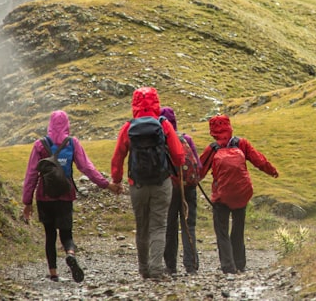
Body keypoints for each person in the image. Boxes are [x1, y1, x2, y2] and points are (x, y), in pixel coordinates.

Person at [21, 110, 121, 283]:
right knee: (66, 234)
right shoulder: (72, 143)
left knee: (50, 235)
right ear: (67, 124)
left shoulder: (39, 145)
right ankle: (70, 254)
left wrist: (27, 202)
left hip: (44, 197)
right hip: (65, 195)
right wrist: (106, 184)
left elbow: (31, 175)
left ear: (50, 124)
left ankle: (53, 274)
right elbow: (87, 168)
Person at [110, 87, 186, 280]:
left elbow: (118, 156)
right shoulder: (163, 124)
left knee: (142, 226)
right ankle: (156, 269)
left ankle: (144, 269)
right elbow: (178, 156)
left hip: (137, 185)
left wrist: (117, 180)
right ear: (156, 102)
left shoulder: (128, 127)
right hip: (162, 183)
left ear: (134, 104)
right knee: (159, 226)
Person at [199, 115, 279, 274]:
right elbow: (259, 160)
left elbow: (199, 171)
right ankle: (240, 263)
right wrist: (273, 171)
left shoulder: (213, 148)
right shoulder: (241, 143)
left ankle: (228, 266)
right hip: (241, 194)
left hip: (221, 195)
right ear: (229, 127)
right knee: (238, 227)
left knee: (221, 230)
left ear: (212, 131)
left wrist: (186, 181)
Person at [160, 106, 202, 275]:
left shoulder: (161, 140)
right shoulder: (186, 138)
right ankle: (191, 266)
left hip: (169, 188)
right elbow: (198, 165)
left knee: (170, 227)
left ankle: (171, 266)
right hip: (189, 187)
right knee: (188, 225)